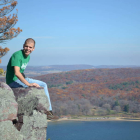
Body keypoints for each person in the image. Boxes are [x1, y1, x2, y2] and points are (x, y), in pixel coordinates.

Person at [6, 38, 58, 120]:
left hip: (22, 78)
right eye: (26, 46)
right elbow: (17, 72)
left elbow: (21, 72)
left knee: (43, 84)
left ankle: (49, 112)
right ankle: (42, 111)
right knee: (33, 88)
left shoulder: (28, 57)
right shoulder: (17, 55)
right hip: (13, 81)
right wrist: (28, 84)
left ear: (33, 48)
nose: (28, 49)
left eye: (30, 47)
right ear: (23, 46)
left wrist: (27, 81)